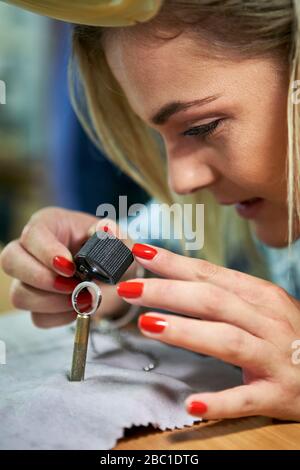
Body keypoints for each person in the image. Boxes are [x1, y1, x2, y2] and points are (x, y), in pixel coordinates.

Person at [1, 0, 300, 422]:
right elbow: (147, 246)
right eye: (160, 137)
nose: (181, 181)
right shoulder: (228, 207)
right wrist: (122, 286)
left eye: (201, 127)